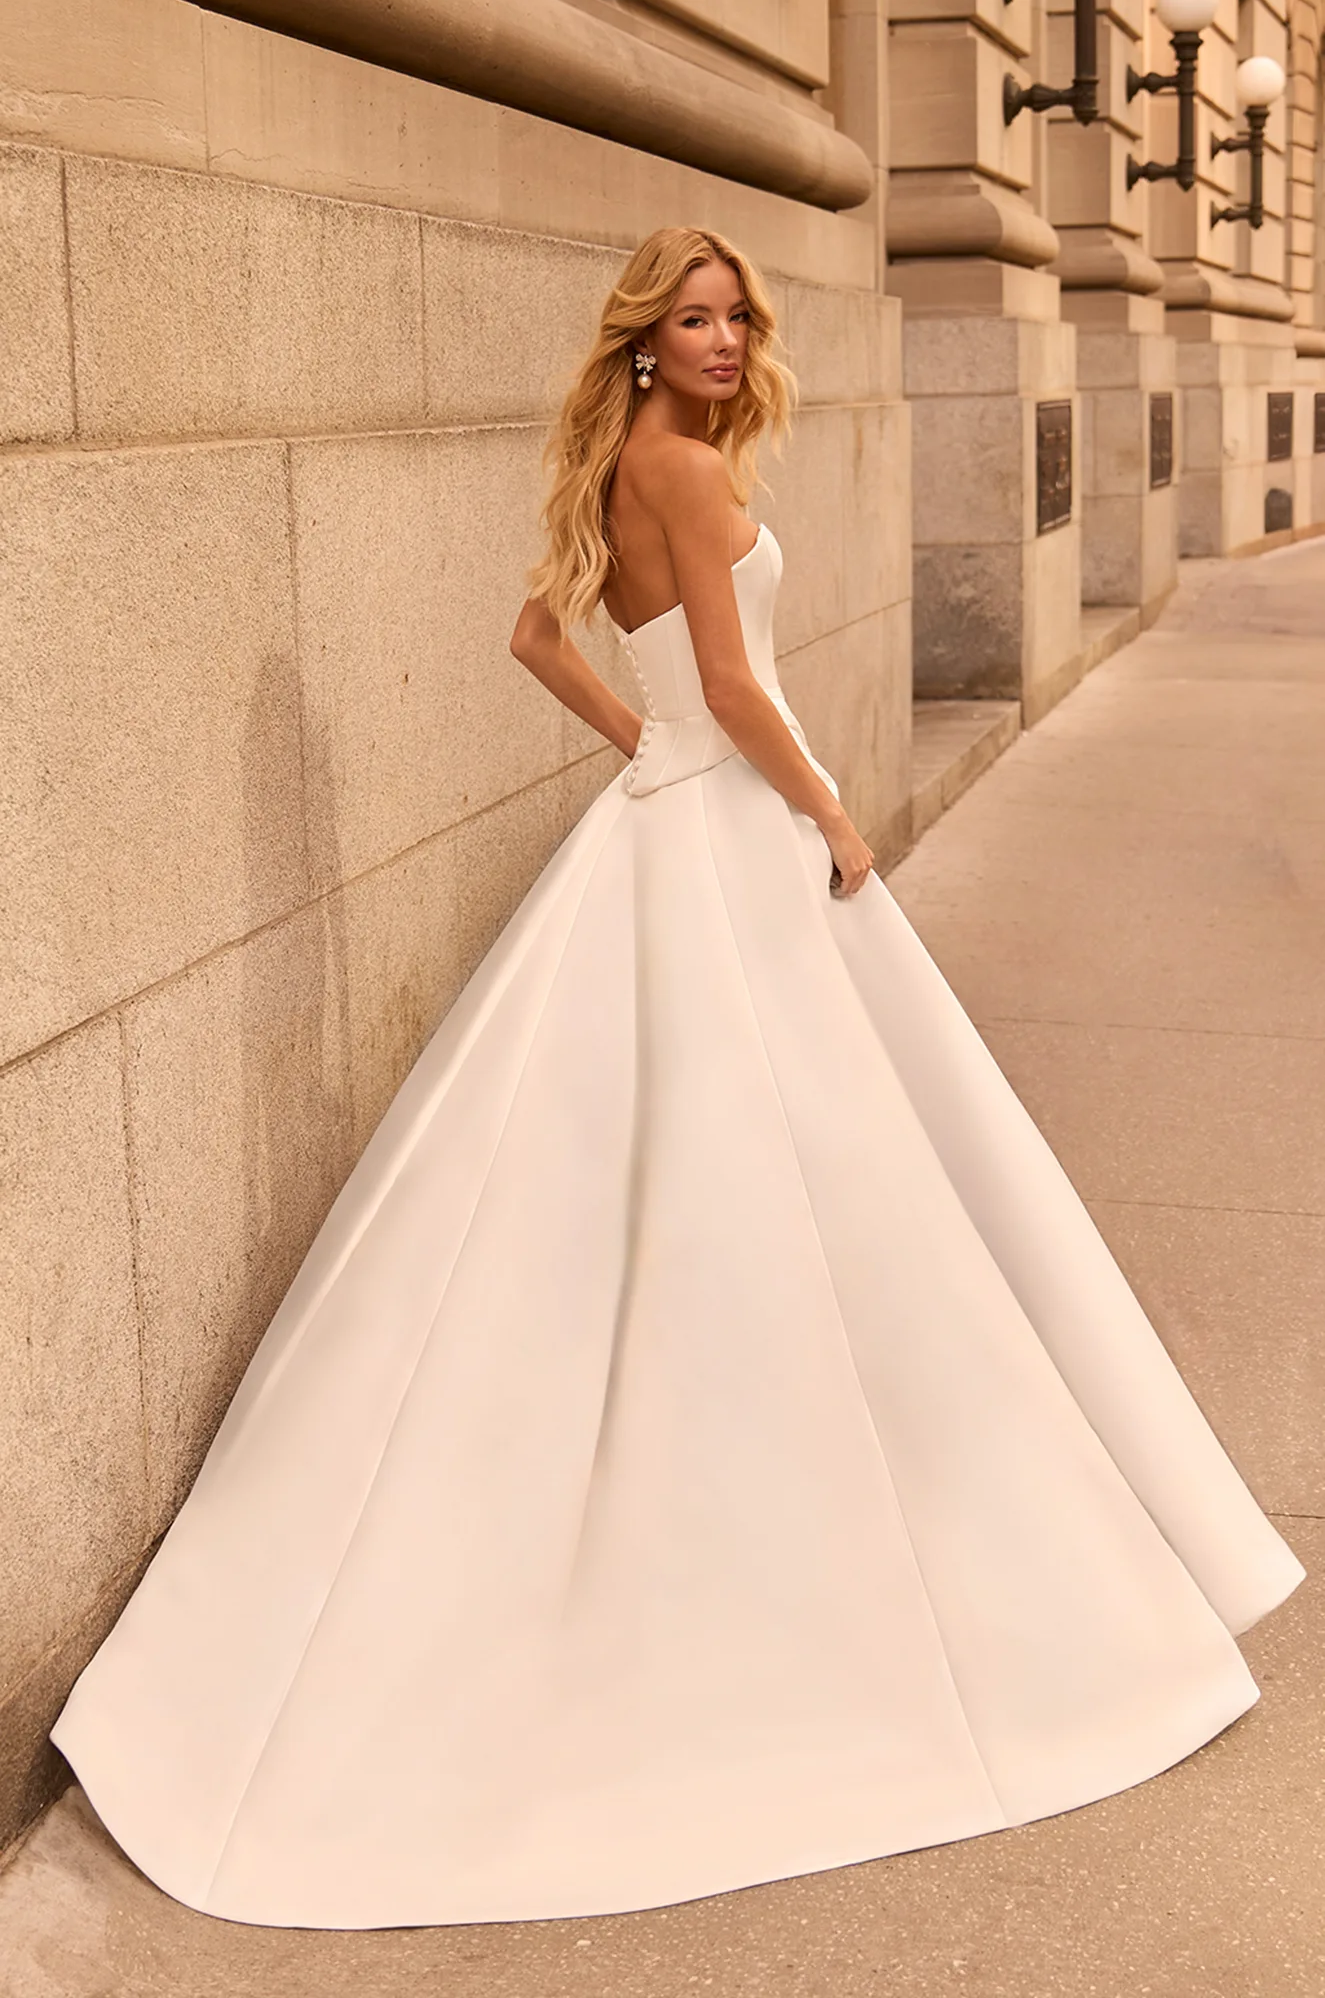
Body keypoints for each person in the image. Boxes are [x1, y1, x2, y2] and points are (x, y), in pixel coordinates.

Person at [50, 226, 1305, 1933]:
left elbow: (534, 632)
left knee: (687, 1165)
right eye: (693, 320)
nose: (723, 340)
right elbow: (730, 678)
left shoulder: (639, 462)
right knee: (816, 1172)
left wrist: (651, 759)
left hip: (660, 823)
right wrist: (826, 808)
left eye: (734, 316)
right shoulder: (693, 480)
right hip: (723, 832)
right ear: (643, 344)